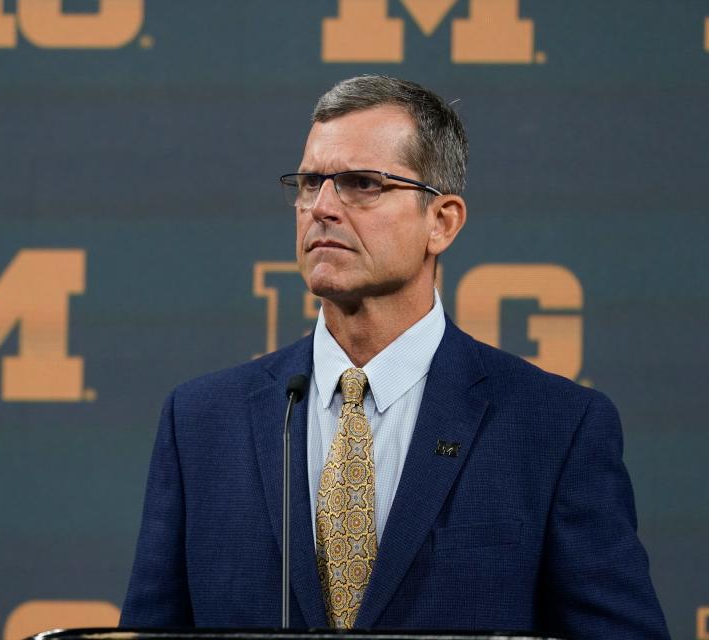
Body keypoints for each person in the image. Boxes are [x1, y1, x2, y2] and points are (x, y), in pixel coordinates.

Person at [120, 76, 668, 638]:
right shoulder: (201, 422)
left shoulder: (554, 426)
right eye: (310, 183)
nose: (322, 208)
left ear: (442, 222)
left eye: (362, 184)